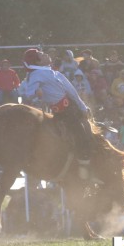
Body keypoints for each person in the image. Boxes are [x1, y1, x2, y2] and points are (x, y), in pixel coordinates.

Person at [20, 48, 95, 179]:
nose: (45, 54)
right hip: (64, 112)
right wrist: (36, 93)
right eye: (41, 54)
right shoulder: (36, 75)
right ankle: (84, 167)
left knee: (86, 131)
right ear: (37, 61)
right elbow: (28, 93)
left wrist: (82, 107)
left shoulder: (53, 72)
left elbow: (71, 91)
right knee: (80, 135)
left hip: (71, 108)